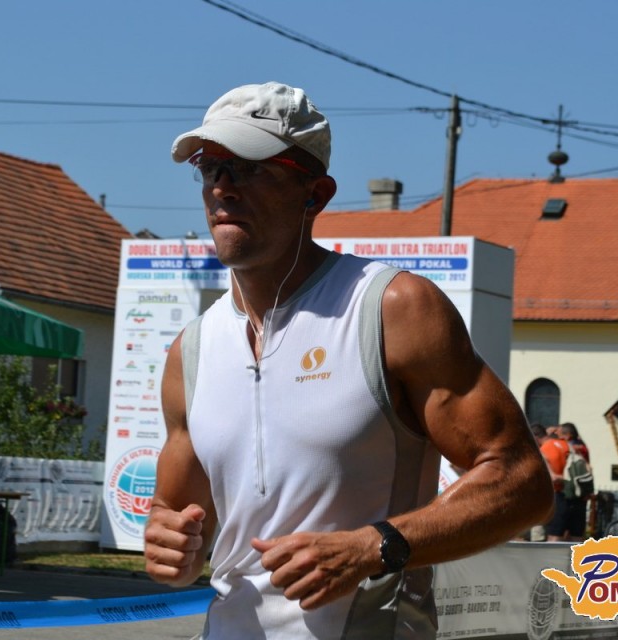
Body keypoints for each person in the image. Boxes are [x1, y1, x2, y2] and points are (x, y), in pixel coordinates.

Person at [143, 82, 553, 639]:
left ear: (315, 193)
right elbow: (176, 530)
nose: (223, 187)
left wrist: (374, 547)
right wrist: (171, 549)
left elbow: (522, 482)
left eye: (250, 168)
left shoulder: (392, 309)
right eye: (210, 168)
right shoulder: (190, 350)